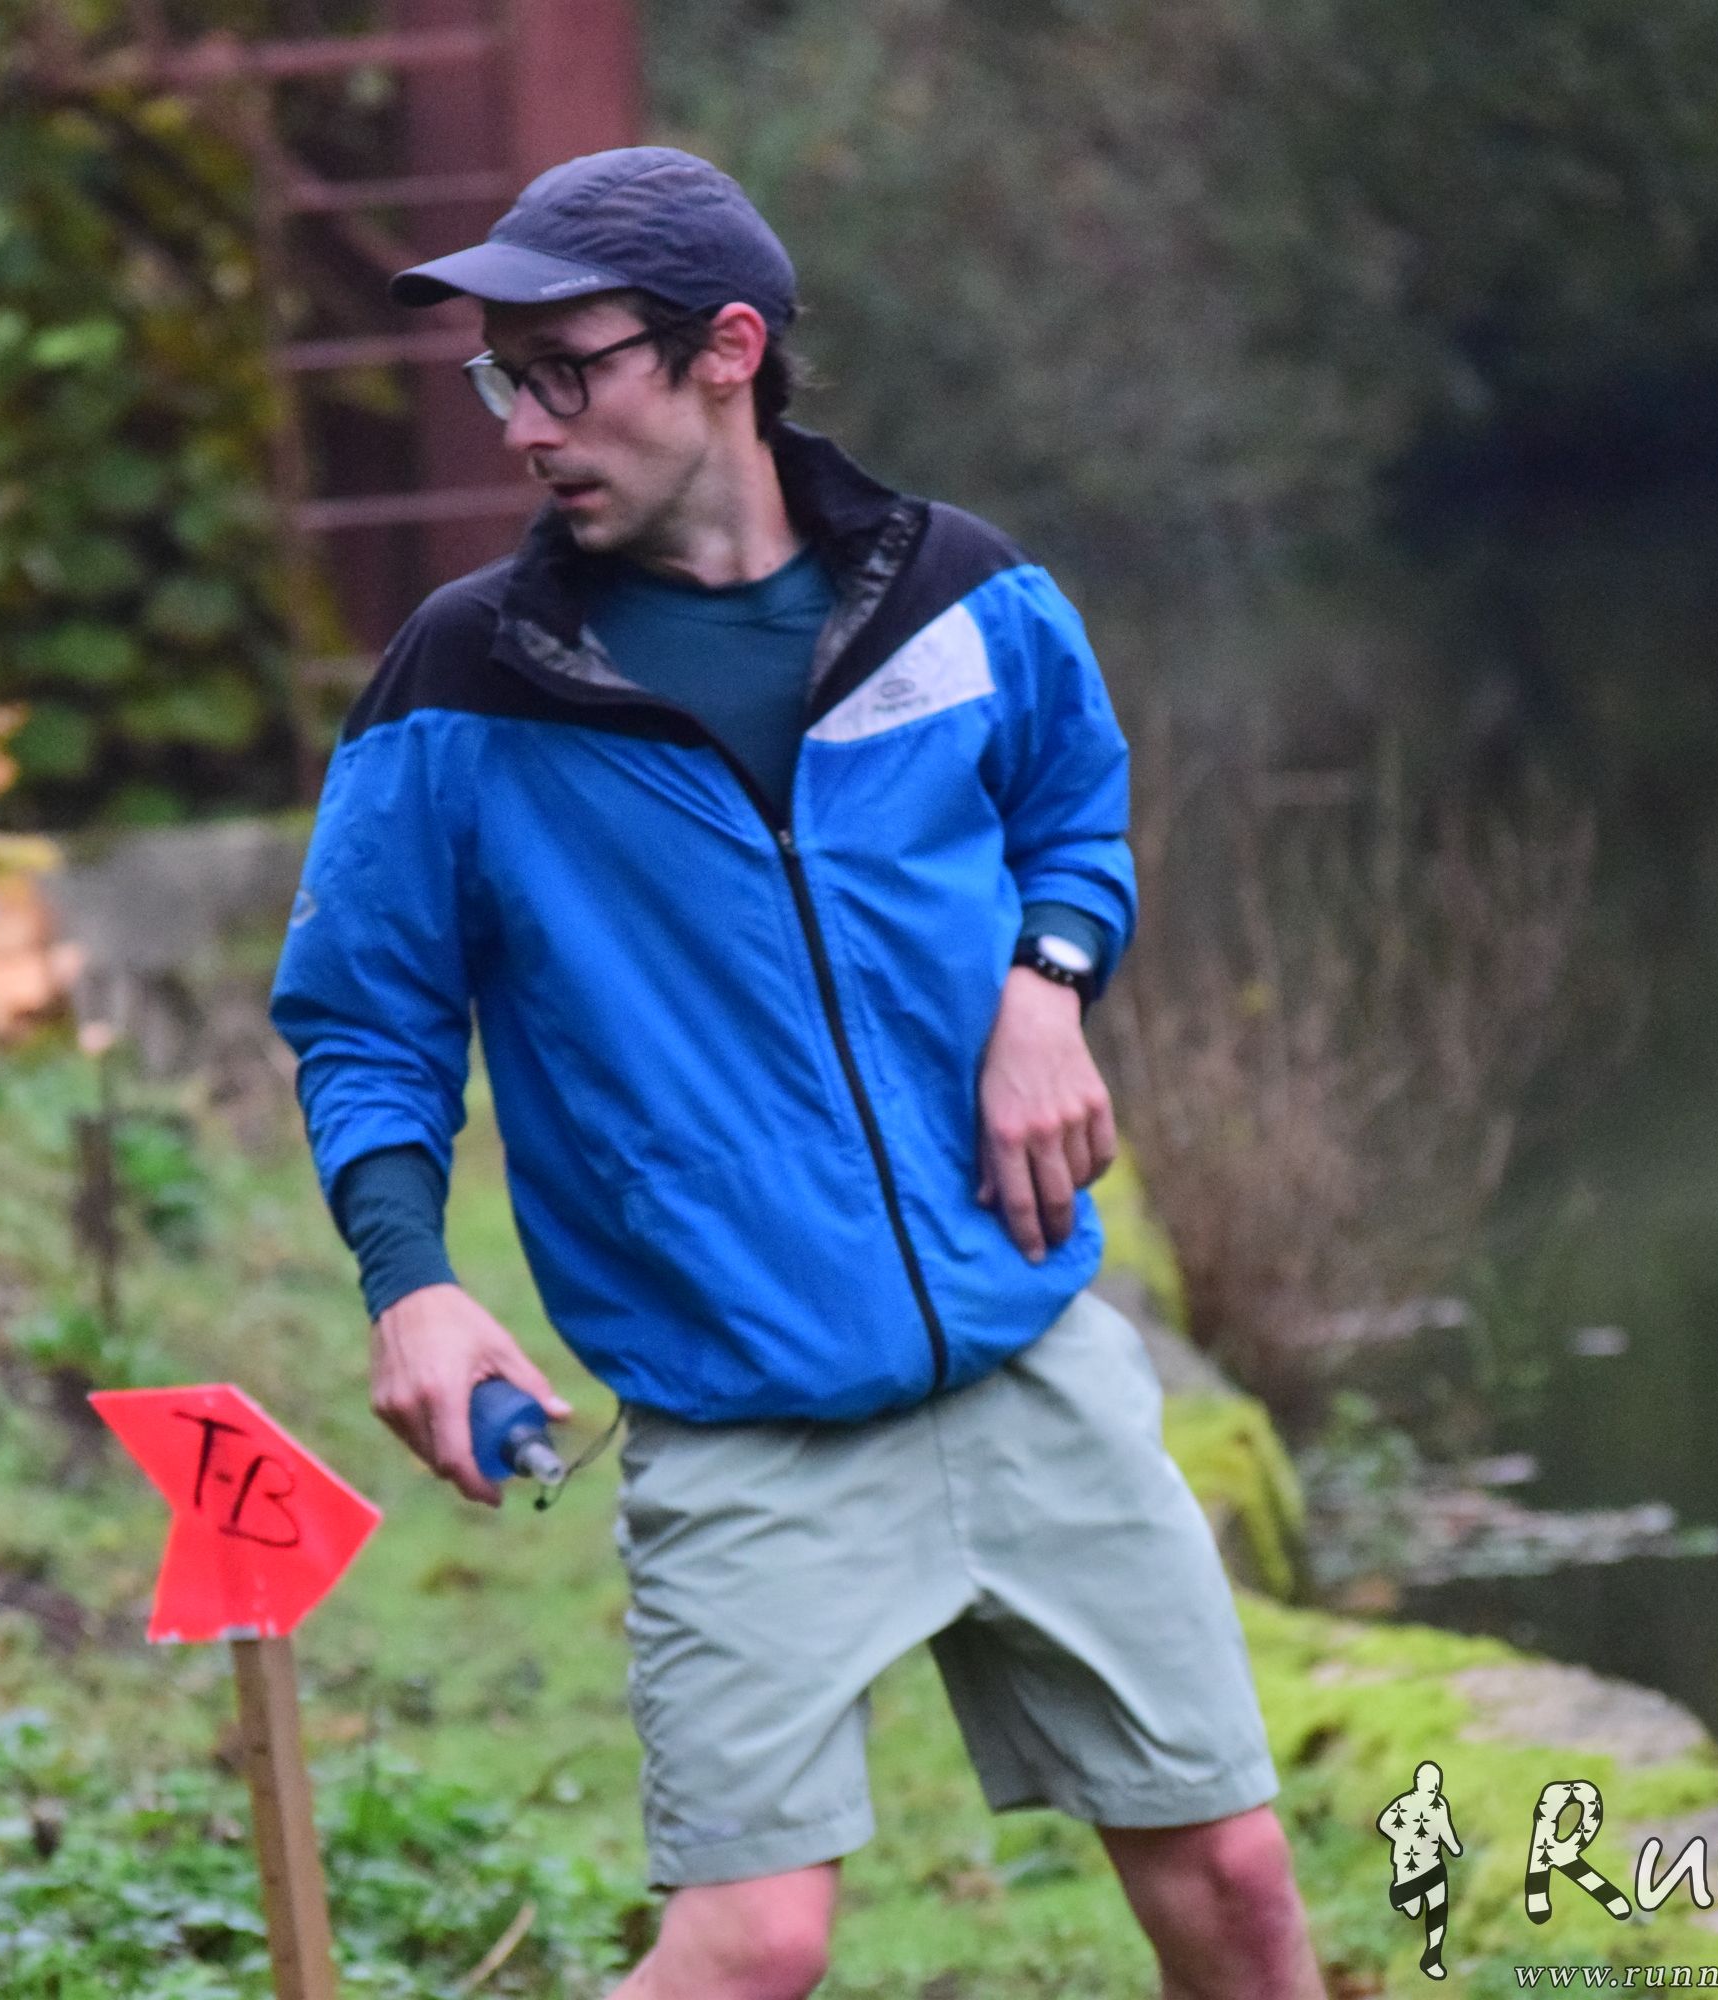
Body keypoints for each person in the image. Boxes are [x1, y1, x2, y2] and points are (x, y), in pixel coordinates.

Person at [268, 145, 1325, 2000]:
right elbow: (366, 1015)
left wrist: (1049, 988)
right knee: (753, 1948)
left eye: (565, 367)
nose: (522, 424)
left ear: (727, 352)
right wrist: (409, 1280)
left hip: (1031, 1351)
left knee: (1238, 1882)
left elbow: (1074, 821)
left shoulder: (966, 599)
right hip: (740, 1410)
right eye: (503, 375)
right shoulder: (470, 685)